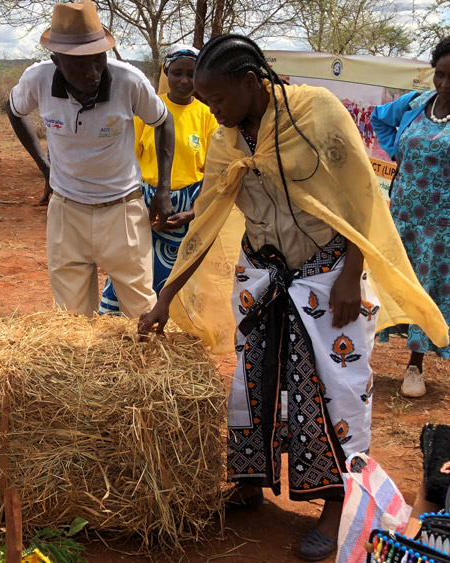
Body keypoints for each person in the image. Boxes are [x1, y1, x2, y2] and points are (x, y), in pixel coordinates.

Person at [138, 34, 448, 561]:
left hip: (328, 276)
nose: (213, 110)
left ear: (249, 81)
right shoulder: (229, 136)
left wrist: (353, 272)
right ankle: (249, 484)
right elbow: (210, 213)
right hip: (261, 274)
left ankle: (336, 506)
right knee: (252, 381)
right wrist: (166, 296)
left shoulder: (315, 113)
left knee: (333, 391)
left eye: (218, 99)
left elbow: (361, 194)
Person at [5, 0, 174, 319]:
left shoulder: (129, 81)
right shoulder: (37, 79)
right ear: (56, 60)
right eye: (79, 64)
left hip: (122, 210)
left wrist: (163, 189)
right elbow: (14, 110)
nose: (92, 73)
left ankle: (146, 366)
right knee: (71, 315)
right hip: (67, 213)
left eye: (98, 60)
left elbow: (163, 121)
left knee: (141, 309)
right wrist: (44, 166)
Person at [100, 44, 217, 314]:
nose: (184, 80)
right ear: (166, 71)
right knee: (131, 264)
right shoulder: (150, 108)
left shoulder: (207, 116)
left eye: (192, 73)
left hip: (187, 208)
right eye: (177, 73)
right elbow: (128, 159)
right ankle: (120, 323)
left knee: (178, 275)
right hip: (144, 203)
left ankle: (173, 328)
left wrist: (192, 212)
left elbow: (211, 172)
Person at [371, 37, 450, 398]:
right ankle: (355, 360)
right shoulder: (416, 105)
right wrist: (395, 152)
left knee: (426, 289)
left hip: (442, 227)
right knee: (383, 283)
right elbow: (378, 119)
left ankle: (414, 367)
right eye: (440, 75)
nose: (445, 85)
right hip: (401, 215)